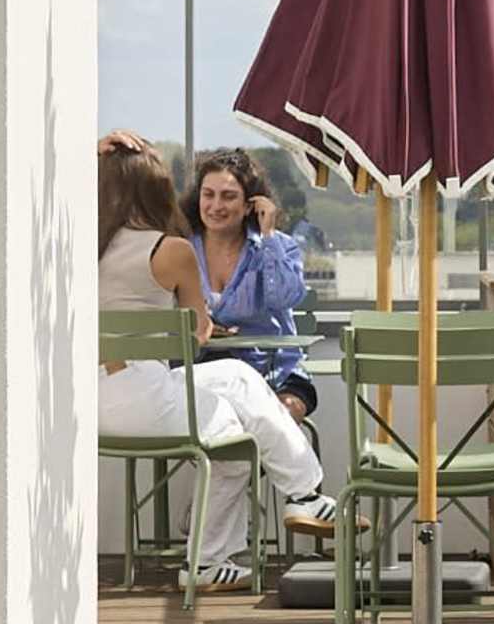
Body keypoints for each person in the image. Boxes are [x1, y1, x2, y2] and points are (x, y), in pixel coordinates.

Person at [94, 135, 326, 590]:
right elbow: (197, 333)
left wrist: (93, 154)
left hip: (91, 402)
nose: (215, 205)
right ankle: (305, 493)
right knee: (239, 402)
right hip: (146, 397)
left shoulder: (76, 244)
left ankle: (209, 562)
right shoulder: (173, 249)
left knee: (237, 414)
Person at [190, 147, 314, 402]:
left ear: (250, 206)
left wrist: (267, 235)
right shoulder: (182, 250)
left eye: (228, 196)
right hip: (201, 372)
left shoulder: (279, 246)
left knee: (286, 412)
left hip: (273, 372)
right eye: (208, 195)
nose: (216, 206)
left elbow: (284, 297)